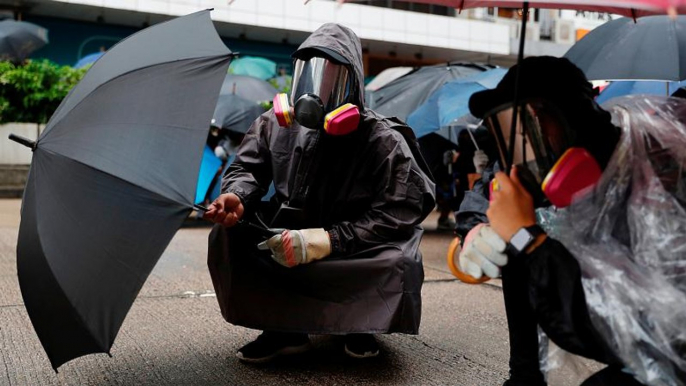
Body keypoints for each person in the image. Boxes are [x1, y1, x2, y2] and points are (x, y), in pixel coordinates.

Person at [203, 23, 435, 363]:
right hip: (287, 236)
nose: (319, 86)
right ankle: (282, 329)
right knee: (227, 235)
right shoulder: (272, 123)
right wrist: (236, 197)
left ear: (353, 83)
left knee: (401, 259)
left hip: (356, 247)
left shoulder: (382, 138)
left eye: (333, 74)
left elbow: (401, 208)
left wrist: (328, 240)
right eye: (310, 72)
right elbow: (248, 169)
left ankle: (360, 326)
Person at [458, 56, 686, 385]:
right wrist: (475, 227)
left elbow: (632, 329)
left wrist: (527, 237)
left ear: (573, 114)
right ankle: (524, 377)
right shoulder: (537, 163)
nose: (523, 140)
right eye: (513, 126)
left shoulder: (653, 175)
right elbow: (490, 188)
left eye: (535, 120)